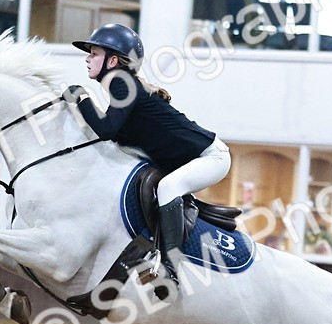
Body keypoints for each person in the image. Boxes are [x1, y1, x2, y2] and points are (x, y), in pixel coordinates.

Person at [64, 24, 230, 284]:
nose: (87, 58)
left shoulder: (122, 82)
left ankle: (171, 269)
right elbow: (114, 138)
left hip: (212, 157)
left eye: (94, 53)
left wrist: (82, 98)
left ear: (113, 60)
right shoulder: (121, 88)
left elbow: (106, 130)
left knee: (168, 187)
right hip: (196, 158)